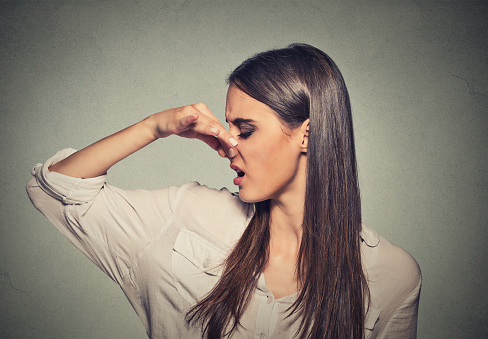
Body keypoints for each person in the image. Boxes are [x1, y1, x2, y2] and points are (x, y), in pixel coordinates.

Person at [27, 43, 421, 339]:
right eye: (229, 128)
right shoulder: (186, 213)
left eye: (245, 130)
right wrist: (153, 127)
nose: (230, 144)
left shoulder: (392, 275)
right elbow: (55, 189)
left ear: (308, 133)